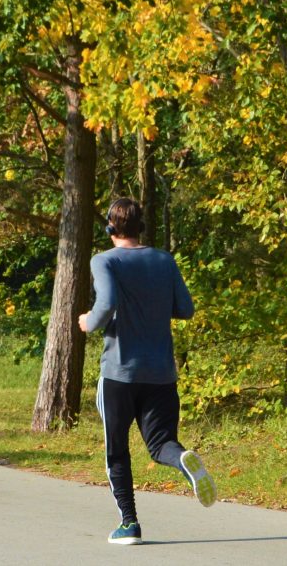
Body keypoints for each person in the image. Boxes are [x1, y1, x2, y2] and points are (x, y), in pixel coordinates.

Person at [78, 197, 216, 546]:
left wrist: (88, 322)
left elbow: (105, 304)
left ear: (111, 227)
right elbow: (185, 308)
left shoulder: (104, 261)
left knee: (117, 451)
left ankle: (129, 524)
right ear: (140, 226)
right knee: (161, 444)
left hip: (119, 375)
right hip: (161, 374)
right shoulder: (163, 260)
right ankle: (184, 463)